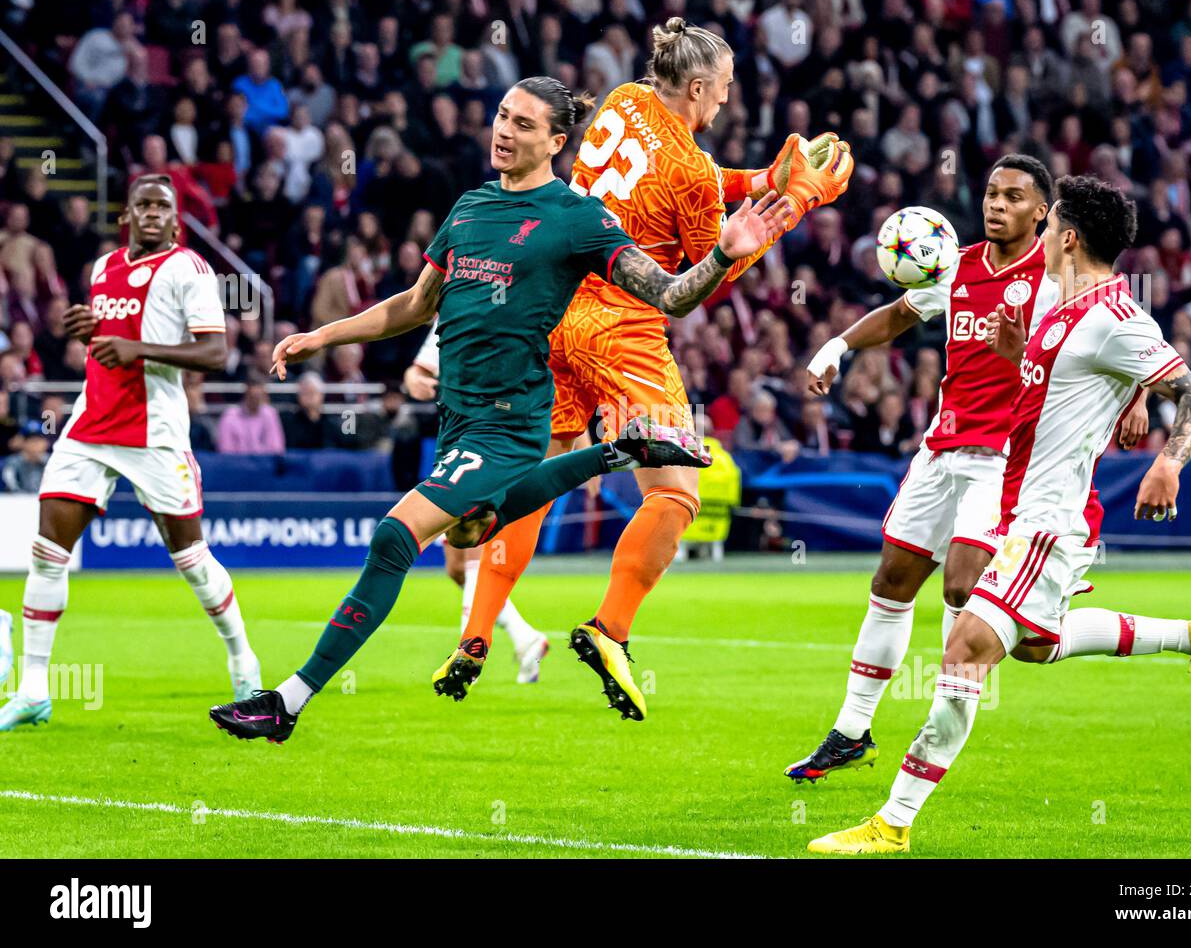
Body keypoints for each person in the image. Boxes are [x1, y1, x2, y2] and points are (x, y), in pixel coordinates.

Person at [208, 75, 790, 744]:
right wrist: (323, 335)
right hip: (459, 417)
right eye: (502, 116)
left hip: (513, 419)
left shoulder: (579, 218)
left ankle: (285, 701)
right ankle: (617, 452)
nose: (504, 131)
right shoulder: (471, 206)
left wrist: (721, 255)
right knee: (469, 535)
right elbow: (413, 305)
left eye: (522, 123)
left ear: (555, 140)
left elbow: (669, 294)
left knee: (396, 537)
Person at [808, 176, 1191, 855]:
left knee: (963, 653)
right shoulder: (1061, 311)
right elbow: (1065, 386)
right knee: (1037, 645)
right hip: (1018, 514)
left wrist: (1169, 463)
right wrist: (1023, 355)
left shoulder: (1115, 317)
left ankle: (891, 823)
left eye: (1047, 227)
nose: (1035, 239)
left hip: (1045, 524)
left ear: (1067, 236)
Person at [457, 18, 851, 722]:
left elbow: (685, 181)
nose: (726, 102)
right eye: (724, 91)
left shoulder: (623, 99)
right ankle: (609, 631)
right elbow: (706, 272)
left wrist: (761, 177)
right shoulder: (693, 170)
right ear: (698, 87)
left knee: (538, 477)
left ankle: (477, 633)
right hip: (622, 326)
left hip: (552, 310)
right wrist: (795, 203)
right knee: (676, 495)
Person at [0, 175, 261, 732]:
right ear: (127, 214)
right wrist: (89, 329)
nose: (151, 213)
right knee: (48, 549)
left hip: (155, 433)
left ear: (174, 219)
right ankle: (33, 688)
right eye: (142, 204)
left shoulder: (189, 269)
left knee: (191, 562)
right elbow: (109, 340)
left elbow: (215, 352)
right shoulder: (101, 268)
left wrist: (135, 346)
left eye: (162, 207)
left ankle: (242, 659)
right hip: (90, 423)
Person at [402, 327, 549, 683]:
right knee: (456, 564)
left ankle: (468, 652)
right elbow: (418, 369)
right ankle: (525, 636)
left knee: (472, 554)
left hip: (499, 445)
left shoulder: (515, 305)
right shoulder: (455, 312)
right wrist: (414, 381)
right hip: (456, 443)